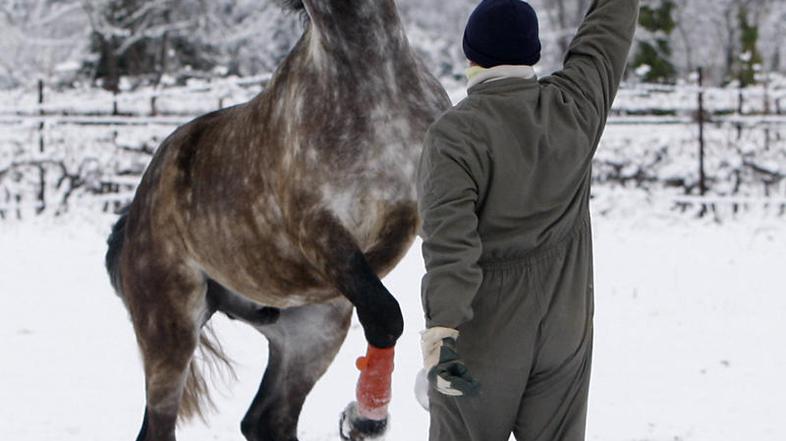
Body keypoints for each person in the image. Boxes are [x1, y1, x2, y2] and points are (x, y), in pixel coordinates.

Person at [415, 0, 640, 440]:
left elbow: (451, 245)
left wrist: (441, 336)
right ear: (533, 52)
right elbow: (607, 33)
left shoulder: (454, 136)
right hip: (565, 322)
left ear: (472, 55)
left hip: (485, 330)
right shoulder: (574, 107)